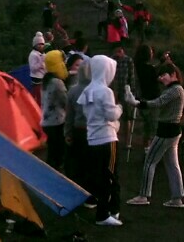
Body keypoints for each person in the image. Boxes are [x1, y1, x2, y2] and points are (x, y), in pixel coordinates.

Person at [124, 63, 184, 208]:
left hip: (166, 131)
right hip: (172, 131)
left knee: (150, 161)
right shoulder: (175, 89)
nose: (161, 78)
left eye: (164, 75)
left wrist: (137, 103)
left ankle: (143, 195)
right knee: (172, 165)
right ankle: (177, 198)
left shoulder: (175, 89)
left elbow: (158, 103)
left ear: (173, 74)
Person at [77, 55, 123, 226]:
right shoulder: (105, 91)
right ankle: (105, 213)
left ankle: (107, 210)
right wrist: (119, 108)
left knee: (100, 176)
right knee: (110, 176)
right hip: (107, 138)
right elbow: (111, 115)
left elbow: (87, 114)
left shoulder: (88, 90)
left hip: (93, 139)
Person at [65, 58, 95, 205]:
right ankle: (91, 197)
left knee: (79, 164)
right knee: (93, 165)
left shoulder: (73, 90)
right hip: (95, 132)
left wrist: (68, 133)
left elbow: (69, 115)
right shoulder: (99, 90)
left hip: (78, 131)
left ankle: (76, 194)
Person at [41, 50, 68, 170]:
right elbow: (65, 101)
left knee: (51, 150)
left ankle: (48, 172)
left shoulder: (46, 80)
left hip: (46, 121)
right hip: (57, 122)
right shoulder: (57, 82)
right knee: (59, 152)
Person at [134, 44, 160, 150]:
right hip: (152, 101)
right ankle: (151, 152)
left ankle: (146, 150)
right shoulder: (149, 69)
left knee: (146, 128)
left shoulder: (138, 67)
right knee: (153, 128)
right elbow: (156, 77)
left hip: (141, 100)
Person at [29, 32, 47, 104]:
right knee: (38, 98)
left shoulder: (42, 54)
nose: (41, 46)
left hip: (43, 78)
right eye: (39, 44)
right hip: (37, 80)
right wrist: (41, 64)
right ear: (35, 45)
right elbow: (33, 68)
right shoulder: (33, 55)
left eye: (42, 44)